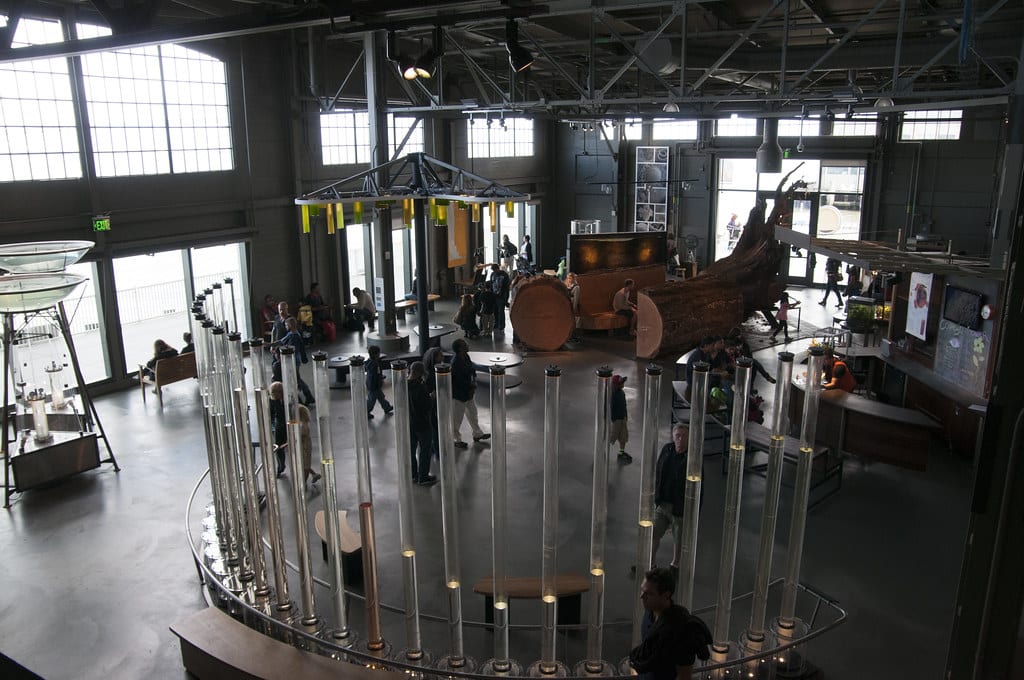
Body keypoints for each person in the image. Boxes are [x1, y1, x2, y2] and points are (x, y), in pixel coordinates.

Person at [629, 566, 712, 680]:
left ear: (666, 595)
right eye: (642, 590)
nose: (642, 596)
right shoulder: (650, 611)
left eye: (649, 593)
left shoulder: (681, 628)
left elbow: (684, 675)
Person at [651, 424, 697, 572]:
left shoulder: (692, 458)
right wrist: (656, 496)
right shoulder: (667, 449)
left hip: (679, 507)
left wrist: (693, 511)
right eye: (677, 435)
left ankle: (675, 565)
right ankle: (650, 562)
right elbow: (658, 471)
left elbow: (698, 487)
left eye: (684, 436)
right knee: (654, 533)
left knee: (679, 538)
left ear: (689, 438)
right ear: (673, 436)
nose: (680, 439)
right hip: (663, 503)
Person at [450, 338, 489, 448]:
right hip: (459, 396)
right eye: (464, 344)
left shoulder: (465, 357)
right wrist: (471, 385)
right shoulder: (455, 363)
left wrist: (473, 381)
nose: (467, 345)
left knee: (473, 414)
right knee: (457, 419)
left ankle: (477, 434)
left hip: (468, 394)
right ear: (460, 348)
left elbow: (471, 369)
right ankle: (456, 440)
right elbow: (459, 381)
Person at [272, 317, 315, 405]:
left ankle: (306, 397)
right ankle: (307, 396)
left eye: (286, 325)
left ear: (290, 325)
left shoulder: (293, 336)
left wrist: (272, 346)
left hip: (293, 361)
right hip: (295, 360)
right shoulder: (294, 334)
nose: (285, 327)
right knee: (297, 379)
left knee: (296, 379)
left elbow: (285, 344)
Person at [407, 361, 437, 486]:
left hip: (409, 423)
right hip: (423, 424)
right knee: (425, 450)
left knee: (411, 450)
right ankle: (423, 477)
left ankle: (413, 475)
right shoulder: (420, 388)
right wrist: (432, 398)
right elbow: (426, 406)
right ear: (420, 373)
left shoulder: (403, 385)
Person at [295, 403, 321, 487]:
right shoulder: (302, 424)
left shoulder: (303, 426)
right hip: (303, 446)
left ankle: (304, 481)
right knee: (304, 463)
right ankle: (314, 474)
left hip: (305, 447)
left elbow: (300, 437)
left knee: (305, 465)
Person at [365, 345, 393, 418]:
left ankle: (387, 407)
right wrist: (380, 378)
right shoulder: (375, 364)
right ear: (376, 354)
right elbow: (376, 374)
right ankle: (366, 411)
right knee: (371, 400)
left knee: (381, 397)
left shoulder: (369, 362)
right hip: (374, 386)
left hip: (372, 384)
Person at [610, 374, 631, 463]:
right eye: (621, 383)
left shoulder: (622, 393)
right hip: (616, 420)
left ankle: (621, 452)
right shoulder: (613, 395)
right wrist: (614, 419)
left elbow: (624, 405)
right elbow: (611, 408)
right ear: (616, 385)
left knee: (623, 437)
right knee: (611, 437)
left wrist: (625, 416)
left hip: (623, 419)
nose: (623, 384)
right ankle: (601, 451)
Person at [269, 381, 288, 476]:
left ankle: (281, 466)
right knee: (279, 447)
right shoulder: (271, 401)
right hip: (278, 427)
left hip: (286, 425)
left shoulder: (287, 400)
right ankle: (280, 466)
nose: (276, 395)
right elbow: (270, 415)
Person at [490, 264, 511, 331]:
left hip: (502, 296)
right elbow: (491, 284)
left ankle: (501, 325)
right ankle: (496, 324)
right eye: (493, 270)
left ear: (497, 268)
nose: (494, 271)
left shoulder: (505, 275)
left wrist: (506, 299)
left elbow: (507, 287)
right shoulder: (492, 274)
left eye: (494, 270)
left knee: (501, 311)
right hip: (494, 295)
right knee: (495, 311)